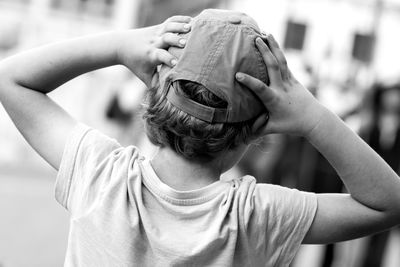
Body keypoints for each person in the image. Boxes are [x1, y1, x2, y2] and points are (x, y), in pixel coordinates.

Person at [0, 9, 400, 267]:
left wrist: (121, 45)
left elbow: (12, 78)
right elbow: (387, 203)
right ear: (256, 129)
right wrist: (312, 118)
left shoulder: (101, 175)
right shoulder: (254, 215)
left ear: (155, 91)